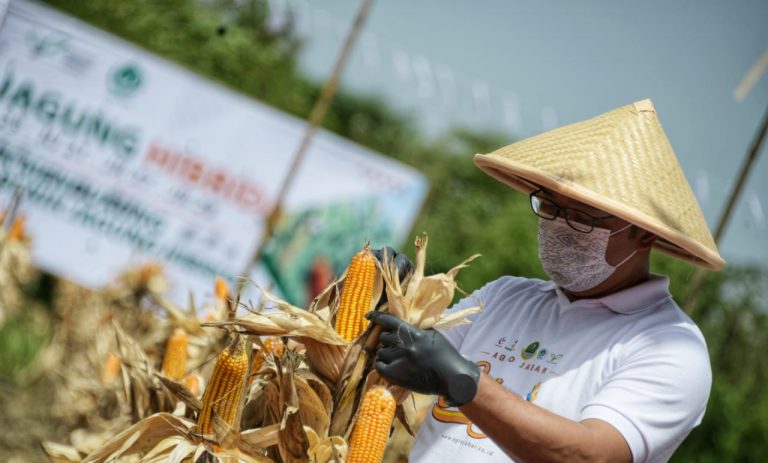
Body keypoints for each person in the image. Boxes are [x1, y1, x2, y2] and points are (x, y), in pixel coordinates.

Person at [367, 99, 724, 463]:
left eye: (582, 217)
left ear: (645, 234)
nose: (559, 227)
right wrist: (382, 300)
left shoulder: (670, 346)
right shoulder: (504, 297)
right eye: (550, 207)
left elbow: (592, 456)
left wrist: (463, 381)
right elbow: (400, 360)